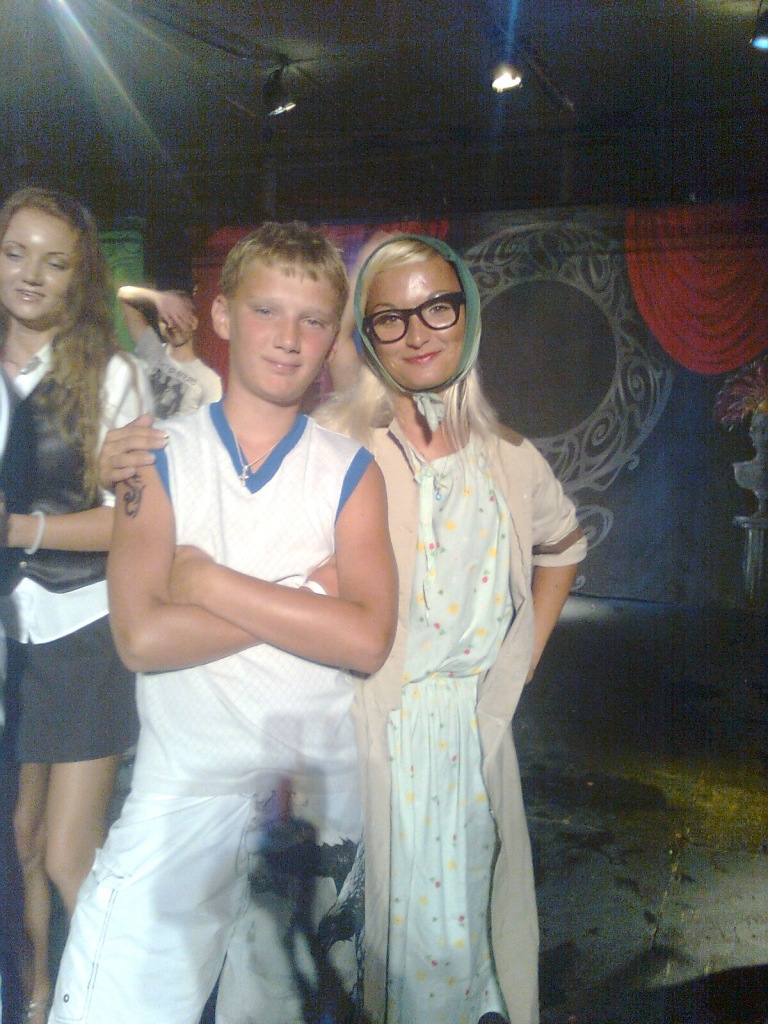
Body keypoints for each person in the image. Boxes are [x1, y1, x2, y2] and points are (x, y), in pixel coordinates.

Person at [97, 232, 587, 1024]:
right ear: (366, 335)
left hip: (471, 743)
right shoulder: (341, 443)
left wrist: (518, 662)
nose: (418, 332)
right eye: (391, 318)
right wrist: (119, 461)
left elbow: (563, 545)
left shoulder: (509, 457)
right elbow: (235, 460)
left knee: (465, 952)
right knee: (367, 960)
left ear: (468, 315)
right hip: (365, 735)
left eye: (438, 308)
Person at [50, 222, 397, 1024]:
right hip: (184, 791)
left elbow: (366, 638)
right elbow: (142, 637)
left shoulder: (350, 471)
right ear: (222, 315)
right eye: (267, 310)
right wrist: (305, 598)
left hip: (312, 804)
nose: (288, 337)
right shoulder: (153, 457)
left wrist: (206, 584)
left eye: (313, 320)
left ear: (332, 337)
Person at [0, 186, 153, 1024]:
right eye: (14, 252)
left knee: (66, 855)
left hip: (83, 633)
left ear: (78, 275)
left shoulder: (111, 375)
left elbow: (132, 525)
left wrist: (20, 529)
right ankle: (36, 998)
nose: (30, 274)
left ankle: (111, 1002)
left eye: (53, 261)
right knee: (18, 842)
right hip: (9, 648)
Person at [117, 283, 222, 418]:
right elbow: (123, 295)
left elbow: (208, 427)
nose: (171, 325)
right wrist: (159, 298)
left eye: (178, 318)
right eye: (165, 319)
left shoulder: (209, 380)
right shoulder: (151, 350)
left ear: (194, 322)